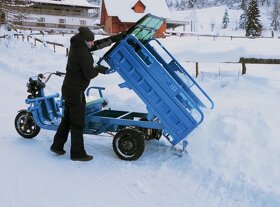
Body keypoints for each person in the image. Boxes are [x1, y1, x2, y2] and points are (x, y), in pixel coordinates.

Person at [50, 26, 125, 161]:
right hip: (76, 92)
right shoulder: (82, 52)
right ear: (85, 41)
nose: (92, 43)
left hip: (69, 90)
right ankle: (77, 153)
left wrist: (114, 38)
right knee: (77, 123)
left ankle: (57, 145)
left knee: (67, 119)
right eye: (90, 41)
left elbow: (96, 45)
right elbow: (89, 73)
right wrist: (98, 69)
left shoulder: (79, 45)